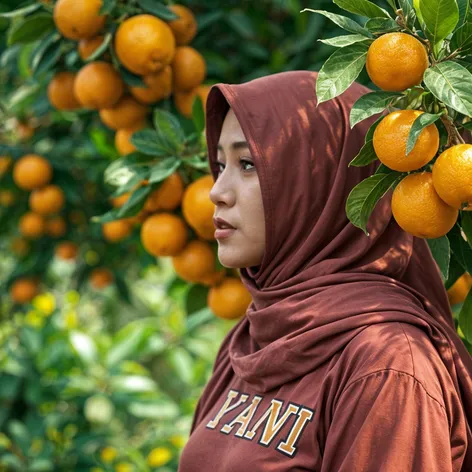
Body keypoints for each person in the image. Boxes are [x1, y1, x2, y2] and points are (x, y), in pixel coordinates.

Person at [177, 70, 472, 471]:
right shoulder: (251, 337)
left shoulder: (386, 364)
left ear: (321, 182)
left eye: (247, 164)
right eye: (220, 164)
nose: (216, 191)